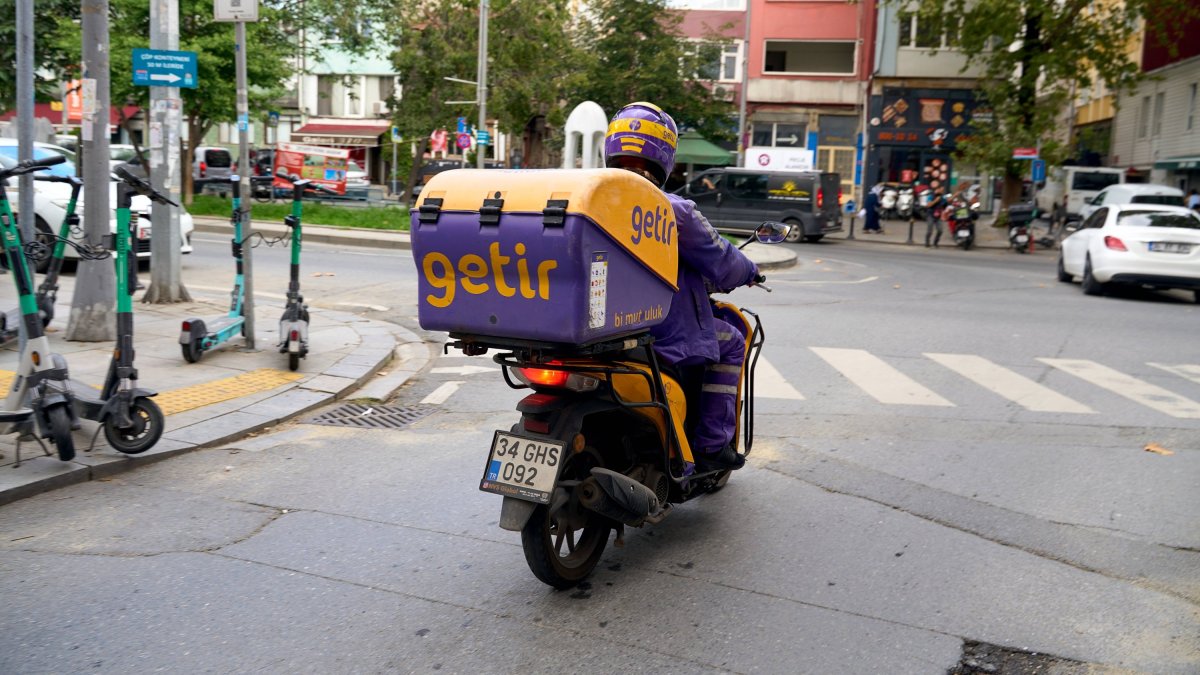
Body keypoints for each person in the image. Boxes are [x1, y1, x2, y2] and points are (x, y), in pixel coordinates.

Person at [604, 101, 760, 473]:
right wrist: (750, 270)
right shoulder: (674, 210)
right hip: (661, 330)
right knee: (733, 341)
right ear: (664, 154)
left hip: (597, 328)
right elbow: (722, 260)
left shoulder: (591, 200)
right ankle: (710, 444)